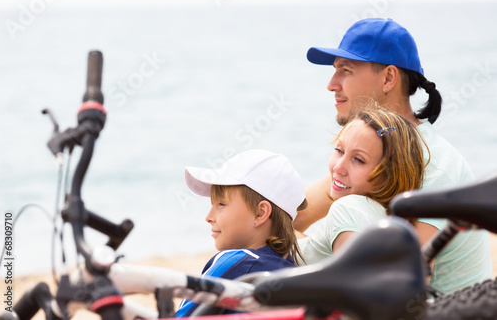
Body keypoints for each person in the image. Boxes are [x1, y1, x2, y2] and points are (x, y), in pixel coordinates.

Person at [294, 17, 492, 294]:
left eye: (346, 70)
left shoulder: (431, 162)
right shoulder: (365, 150)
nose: (331, 84)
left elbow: (400, 280)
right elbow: (294, 213)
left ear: (388, 78)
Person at [175, 149, 307, 317]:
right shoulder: (291, 275)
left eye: (221, 204)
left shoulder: (236, 262)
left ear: (260, 213)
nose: (208, 217)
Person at [297, 106, 425, 258]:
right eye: (339, 150)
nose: (338, 168)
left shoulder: (348, 210)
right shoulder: (392, 225)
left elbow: (352, 280)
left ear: (388, 177)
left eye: (358, 159)